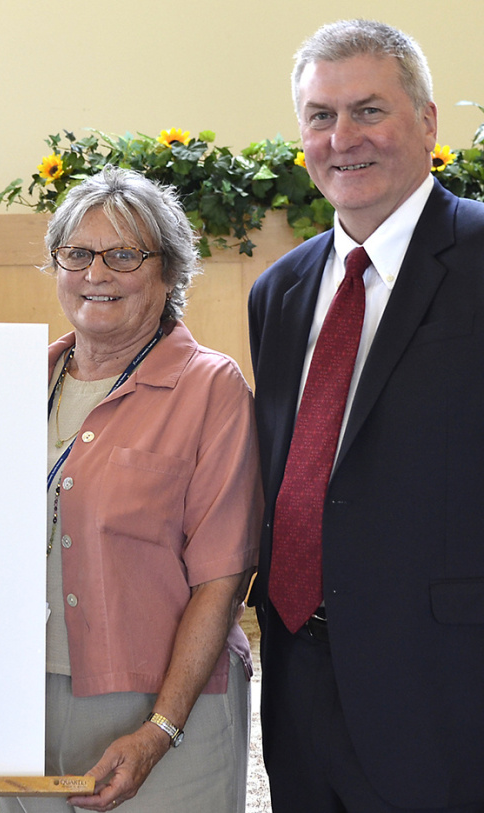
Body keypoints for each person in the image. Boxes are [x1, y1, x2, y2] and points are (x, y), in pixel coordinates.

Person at [248, 19, 484, 812]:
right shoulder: (277, 292)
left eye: (368, 110)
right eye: (320, 116)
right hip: (298, 673)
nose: (342, 137)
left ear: (426, 122)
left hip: (446, 679)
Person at [0, 166, 262, 813]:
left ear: (168, 272)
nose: (96, 274)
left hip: (165, 706)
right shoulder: (12, 381)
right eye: (77, 254)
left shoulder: (210, 388)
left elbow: (221, 578)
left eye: (123, 255)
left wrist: (159, 729)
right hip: (15, 699)